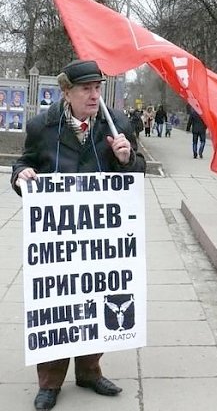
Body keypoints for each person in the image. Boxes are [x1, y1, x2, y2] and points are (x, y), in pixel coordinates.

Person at [10, 59, 146, 411]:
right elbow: (24, 162)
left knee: (97, 300)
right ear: (66, 91)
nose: (93, 94)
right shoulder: (42, 126)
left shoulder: (116, 124)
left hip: (101, 238)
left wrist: (127, 158)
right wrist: (22, 175)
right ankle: (50, 383)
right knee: (57, 307)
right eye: (85, 88)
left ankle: (89, 370)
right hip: (59, 239)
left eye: (97, 87)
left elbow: (137, 170)